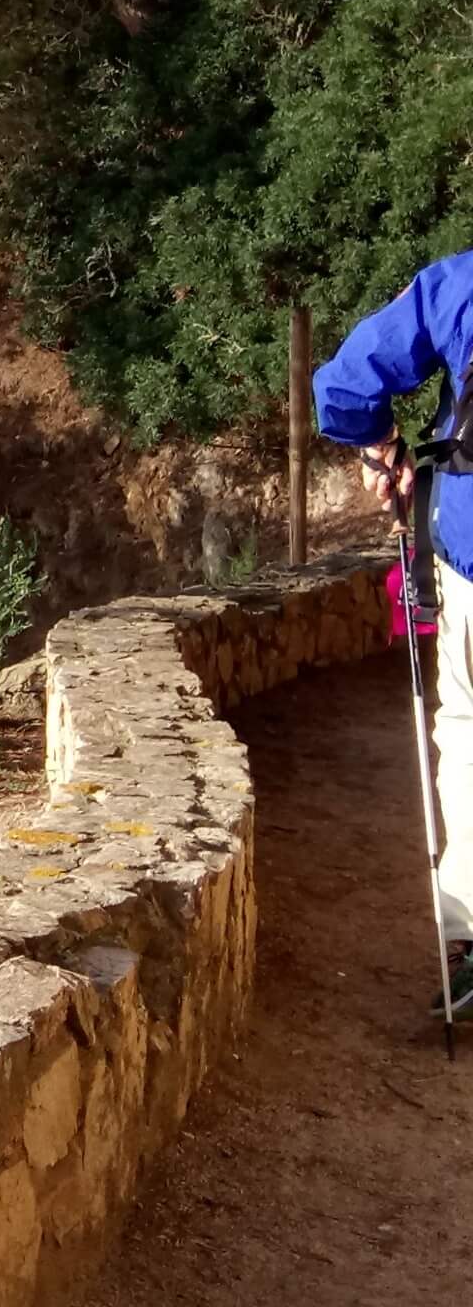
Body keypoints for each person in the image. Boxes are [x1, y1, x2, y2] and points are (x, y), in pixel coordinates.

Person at [315, 257, 473, 1012]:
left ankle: (470, 949)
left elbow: (346, 387)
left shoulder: (462, 284)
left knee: (471, 739)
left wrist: (383, 446)